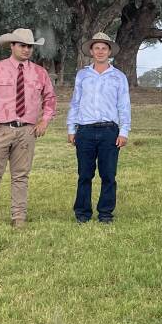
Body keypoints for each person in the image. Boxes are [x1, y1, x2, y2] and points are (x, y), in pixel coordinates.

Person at [0, 28, 57, 228]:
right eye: (22, 46)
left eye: (30, 47)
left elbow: (50, 99)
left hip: (27, 131)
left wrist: (44, 120)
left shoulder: (39, 72)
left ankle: (19, 217)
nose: (26, 50)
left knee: (21, 176)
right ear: (12, 46)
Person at [66, 32, 132, 224]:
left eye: (104, 48)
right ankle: (82, 213)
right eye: (97, 48)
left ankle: (105, 214)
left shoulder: (119, 77)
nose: (100, 51)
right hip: (85, 130)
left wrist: (123, 131)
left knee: (108, 174)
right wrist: (72, 128)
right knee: (84, 174)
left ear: (109, 51)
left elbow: (124, 105)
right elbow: (75, 102)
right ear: (91, 51)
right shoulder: (83, 75)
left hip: (109, 131)